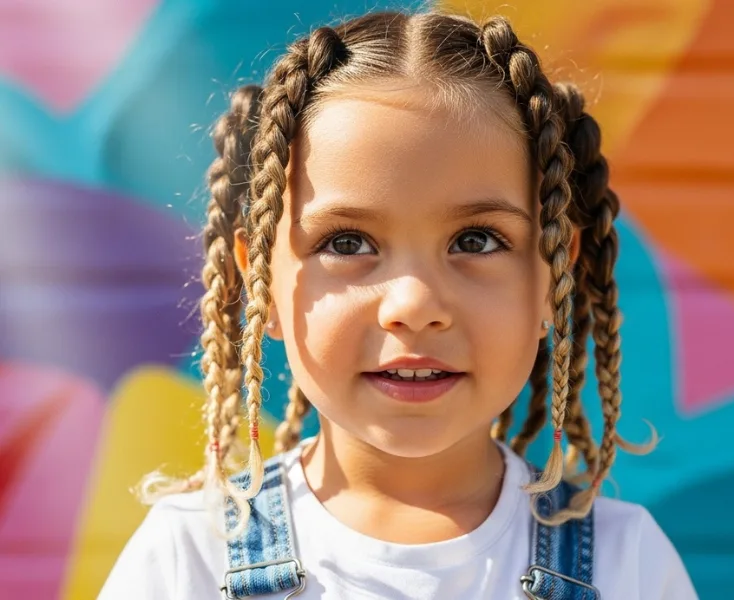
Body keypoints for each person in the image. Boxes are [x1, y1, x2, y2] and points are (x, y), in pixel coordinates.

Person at [99, 10, 697, 600]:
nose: (413, 305)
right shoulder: (189, 559)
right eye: (347, 243)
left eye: (476, 240)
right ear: (260, 284)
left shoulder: (626, 564)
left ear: (552, 276)